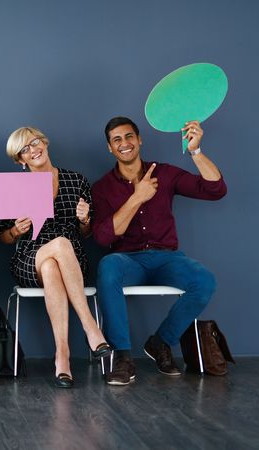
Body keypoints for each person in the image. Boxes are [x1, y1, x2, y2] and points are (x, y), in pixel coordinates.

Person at [92, 116, 227, 386]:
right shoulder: (102, 188)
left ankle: (161, 342)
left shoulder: (165, 173)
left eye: (129, 136)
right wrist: (137, 197)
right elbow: (103, 237)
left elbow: (215, 190)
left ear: (139, 140)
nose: (124, 143)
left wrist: (195, 151)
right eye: (117, 139)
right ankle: (122, 357)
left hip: (167, 259)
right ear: (110, 148)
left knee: (204, 280)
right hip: (127, 260)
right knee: (108, 266)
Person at [0, 126, 111, 388]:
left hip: (72, 260)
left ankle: (62, 356)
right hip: (28, 258)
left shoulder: (76, 180)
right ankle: (91, 328)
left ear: (45, 143)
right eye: (25, 149)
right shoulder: (14, 187)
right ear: (20, 160)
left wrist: (84, 219)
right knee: (58, 245)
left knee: (52, 266)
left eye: (36, 142)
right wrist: (16, 229)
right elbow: (3, 237)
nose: (33, 149)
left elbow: (86, 233)